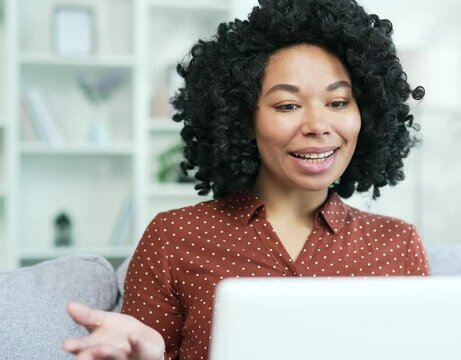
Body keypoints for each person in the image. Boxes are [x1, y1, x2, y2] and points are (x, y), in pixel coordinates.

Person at [63, 0, 429, 358]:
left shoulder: (399, 246)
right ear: (241, 119)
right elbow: (136, 347)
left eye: (338, 103)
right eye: (287, 105)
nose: (318, 126)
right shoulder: (172, 239)